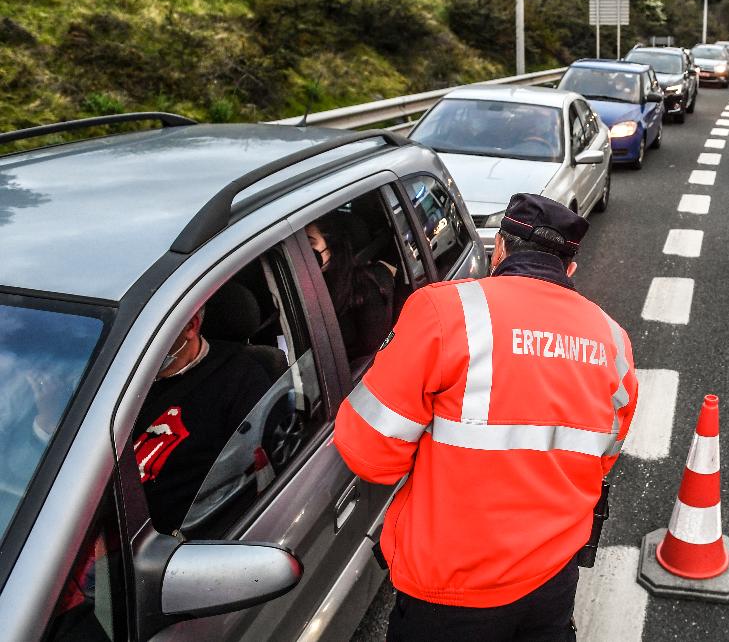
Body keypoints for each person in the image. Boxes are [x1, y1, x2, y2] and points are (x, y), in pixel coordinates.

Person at [334, 193, 639, 642]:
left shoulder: (444, 311)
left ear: (499, 249)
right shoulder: (613, 341)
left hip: (450, 593)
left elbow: (369, 454)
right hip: (551, 581)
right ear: (569, 268)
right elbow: (603, 455)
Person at [132, 307, 271, 534]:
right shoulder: (110, 374)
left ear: (190, 326)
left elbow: (249, 481)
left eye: (150, 330)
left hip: (173, 544)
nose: (137, 342)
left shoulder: (240, 379)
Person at [306, 215, 395, 368]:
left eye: (310, 243)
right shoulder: (307, 283)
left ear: (331, 248)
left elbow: (373, 355)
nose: (303, 250)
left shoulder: (365, 287)